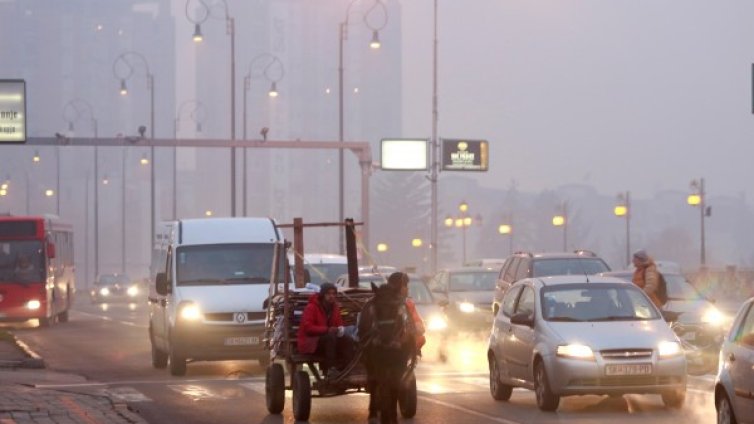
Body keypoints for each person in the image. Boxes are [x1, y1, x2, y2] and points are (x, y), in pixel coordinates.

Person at [297, 282, 354, 377]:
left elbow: (339, 323)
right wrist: (327, 330)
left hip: (329, 339)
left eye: (333, 294)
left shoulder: (335, 308)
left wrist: (340, 330)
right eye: (328, 294)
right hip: (312, 342)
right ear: (323, 295)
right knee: (330, 337)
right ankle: (330, 369)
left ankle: (347, 368)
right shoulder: (311, 307)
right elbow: (308, 328)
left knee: (348, 340)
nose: (331, 296)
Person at [386, 272, 426, 352]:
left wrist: (417, 327)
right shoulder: (383, 304)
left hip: (403, 348)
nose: (408, 289)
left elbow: (420, 326)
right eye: (405, 286)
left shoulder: (409, 304)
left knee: (421, 339)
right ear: (398, 287)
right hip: (386, 347)